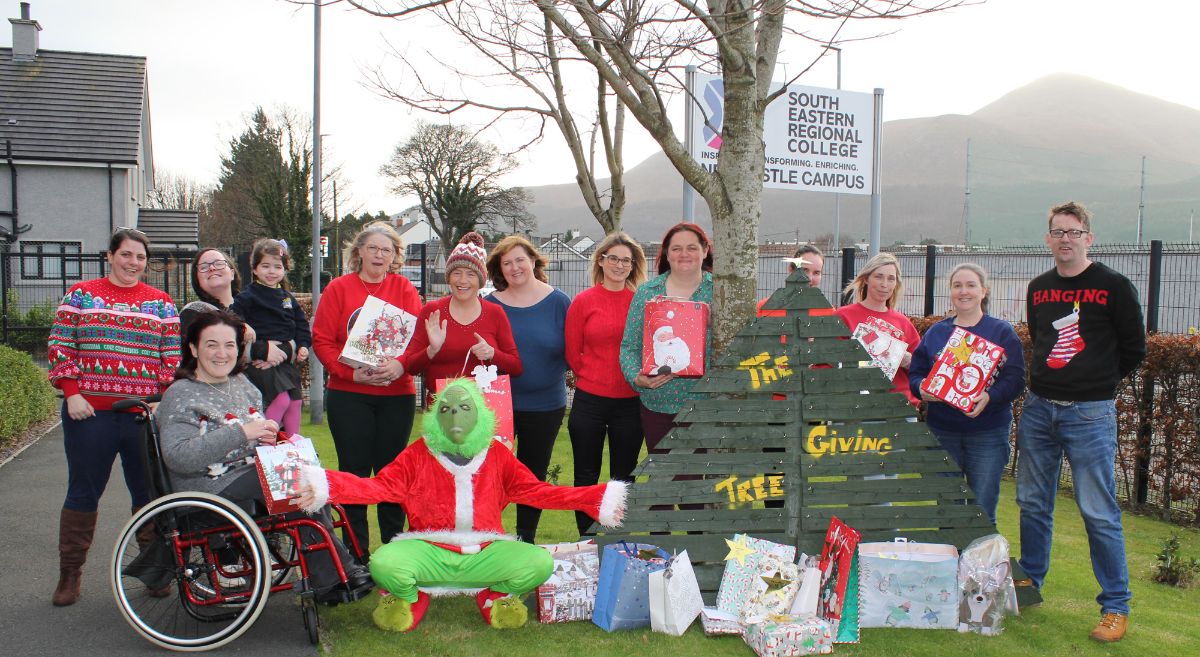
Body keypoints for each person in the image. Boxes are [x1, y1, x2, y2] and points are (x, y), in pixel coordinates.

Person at [294, 378, 627, 633]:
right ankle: (411, 595)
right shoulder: (419, 453)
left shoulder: (497, 455)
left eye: (464, 408)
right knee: (383, 562)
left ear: (481, 416)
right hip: (428, 552)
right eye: (447, 409)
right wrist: (326, 485)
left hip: (485, 552)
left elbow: (539, 492)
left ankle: (494, 594)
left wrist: (594, 498)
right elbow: (378, 487)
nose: (455, 415)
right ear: (436, 416)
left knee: (539, 562)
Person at [156, 310, 371, 603]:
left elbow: (255, 434)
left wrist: (270, 438)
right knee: (293, 480)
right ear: (193, 349)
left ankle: (333, 573)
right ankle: (336, 574)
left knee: (307, 475)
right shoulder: (181, 394)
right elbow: (178, 456)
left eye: (229, 345)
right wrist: (243, 433)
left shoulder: (242, 384)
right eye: (211, 344)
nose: (222, 353)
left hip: (248, 475)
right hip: (207, 487)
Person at [1016, 201, 1145, 643]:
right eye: (1057, 232)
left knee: (1098, 511)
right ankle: (1030, 582)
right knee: (1034, 504)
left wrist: (1096, 383)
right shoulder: (1039, 288)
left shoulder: (1113, 286)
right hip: (1039, 409)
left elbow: (1134, 350)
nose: (1065, 239)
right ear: (1048, 238)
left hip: (1090, 414)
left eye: (1073, 232)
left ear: (1089, 238)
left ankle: (1115, 606)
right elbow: (1039, 337)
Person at [46, 227, 182, 607]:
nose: (132, 263)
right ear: (110, 256)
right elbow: (60, 344)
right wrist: (71, 393)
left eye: (139, 257)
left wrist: (160, 399)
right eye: (125, 255)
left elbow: (171, 358)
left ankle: (154, 571)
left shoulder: (161, 303)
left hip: (142, 417)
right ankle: (69, 575)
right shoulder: (81, 295)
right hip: (89, 416)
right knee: (83, 493)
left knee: (149, 495)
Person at [311, 222, 423, 555]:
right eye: (372, 248)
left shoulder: (403, 288)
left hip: (396, 396)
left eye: (386, 250)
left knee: (392, 473)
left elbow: (416, 339)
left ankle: (394, 551)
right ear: (358, 251)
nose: (378, 254)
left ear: (394, 257)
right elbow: (322, 340)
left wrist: (400, 365)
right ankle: (356, 555)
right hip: (350, 396)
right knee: (354, 473)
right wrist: (350, 374)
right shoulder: (339, 289)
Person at [907, 263, 1026, 524]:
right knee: (947, 508)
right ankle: (950, 562)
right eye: (957, 285)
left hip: (988, 433)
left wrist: (990, 397)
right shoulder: (938, 333)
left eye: (971, 285)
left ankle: (979, 565)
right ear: (950, 291)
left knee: (981, 510)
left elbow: (1016, 379)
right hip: (943, 431)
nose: (964, 291)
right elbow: (916, 374)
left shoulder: (1001, 332)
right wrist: (922, 389)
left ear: (983, 291)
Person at [484, 236, 572, 544]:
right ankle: (487, 540)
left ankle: (525, 541)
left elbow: (573, 350)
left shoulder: (559, 302)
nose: (514, 267)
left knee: (532, 476)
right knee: (489, 476)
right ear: (500, 270)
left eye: (519, 260)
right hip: (497, 406)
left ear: (533, 260)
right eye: (506, 263)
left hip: (546, 406)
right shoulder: (490, 304)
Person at [565, 232, 647, 536]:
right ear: (601, 261)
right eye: (613, 258)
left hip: (630, 401)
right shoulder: (583, 301)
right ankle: (587, 540)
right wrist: (592, 376)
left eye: (626, 260)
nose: (619, 264)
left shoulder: (640, 302)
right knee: (586, 475)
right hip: (590, 401)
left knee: (623, 478)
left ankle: (617, 541)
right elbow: (573, 352)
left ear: (633, 266)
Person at [619, 222, 714, 452]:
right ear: (666, 254)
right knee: (665, 480)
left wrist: (716, 323)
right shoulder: (648, 292)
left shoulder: (720, 291)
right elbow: (629, 346)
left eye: (691, 247)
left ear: (705, 251)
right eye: (676, 248)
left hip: (707, 405)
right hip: (658, 404)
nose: (684, 254)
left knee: (699, 481)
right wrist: (637, 378)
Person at [403, 231, 522, 397]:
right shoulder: (432, 311)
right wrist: (432, 350)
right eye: (456, 273)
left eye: (471, 274)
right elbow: (410, 367)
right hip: (441, 412)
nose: (462, 280)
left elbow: (516, 367)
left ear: (480, 281)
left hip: (482, 412)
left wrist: (492, 354)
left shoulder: (495, 313)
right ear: (449, 277)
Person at [231, 238, 311, 436]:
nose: (271, 271)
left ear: (284, 270)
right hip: (261, 361)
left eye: (277, 266)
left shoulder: (287, 298)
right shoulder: (248, 296)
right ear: (255, 268)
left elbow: (301, 325)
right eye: (265, 266)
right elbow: (231, 318)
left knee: (295, 402)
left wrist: (302, 346)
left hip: (284, 362)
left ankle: (293, 446)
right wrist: (243, 325)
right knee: (281, 399)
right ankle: (263, 441)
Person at [836, 252, 920, 405]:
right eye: (879, 276)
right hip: (853, 408)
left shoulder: (903, 323)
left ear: (896, 284)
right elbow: (827, 362)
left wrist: (909, 361)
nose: (884, 284)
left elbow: (923, 371)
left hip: (898, 409)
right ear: (866, 279)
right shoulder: (843, 316)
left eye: (891, 279)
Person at [180, 248, 280, 363]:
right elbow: (198, 356)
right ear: (197, 280)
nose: (212, 268)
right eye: (204, 267)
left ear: (232, 273)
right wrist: (261, 351)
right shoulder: (193, 313)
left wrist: (288, 348)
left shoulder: (256, 304)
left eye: (219, 264)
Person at [756, 244, 825, 317]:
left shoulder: (828, 311)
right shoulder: (764, 308)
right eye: (804, 270)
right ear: (791, 269)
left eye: (816, 273)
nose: (810, 278)